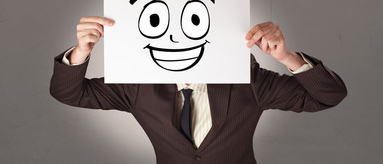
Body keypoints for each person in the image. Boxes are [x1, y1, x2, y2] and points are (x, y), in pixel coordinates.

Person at [50, 16, 347, 164]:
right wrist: (81, 51)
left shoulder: (248, 80)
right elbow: (69, 92)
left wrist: (285, 56)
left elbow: (329, 95)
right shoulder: (138, 85)